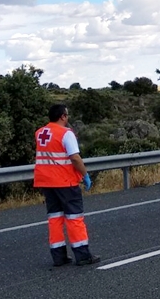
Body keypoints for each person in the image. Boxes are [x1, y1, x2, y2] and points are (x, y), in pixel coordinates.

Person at [33, 104, 100, 267]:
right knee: (74, 217)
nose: (68, 118)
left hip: (46, 182)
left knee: (55, 218)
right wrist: (85, 175)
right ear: (63, 116)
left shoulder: (40, 132)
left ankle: (59, 256)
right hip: (65, 182)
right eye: (67, 115)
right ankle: (82, 255)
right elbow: (75, 158)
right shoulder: (66, 134)